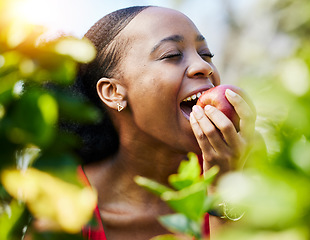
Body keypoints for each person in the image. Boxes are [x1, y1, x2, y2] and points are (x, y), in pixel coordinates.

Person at [71, 5, 258, 240]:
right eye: (171, 55)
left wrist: (227, 194)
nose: (204, 66)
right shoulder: (60, 208)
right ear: (112, 92)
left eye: (206, 54)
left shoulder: (246, 176)